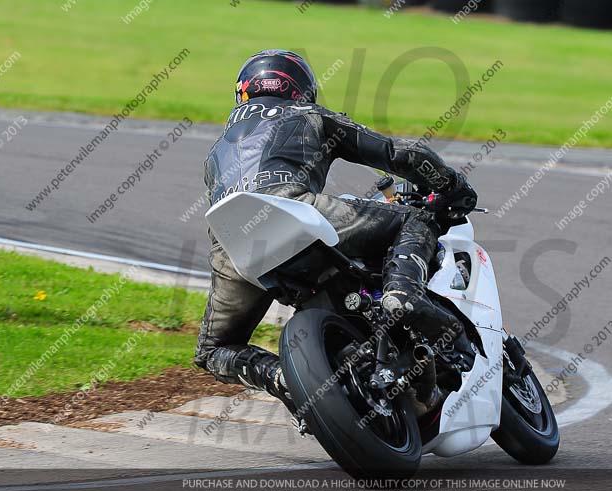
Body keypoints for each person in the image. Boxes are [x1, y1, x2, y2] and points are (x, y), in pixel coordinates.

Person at [194, 50, 478, 411]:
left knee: (212, 350)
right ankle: (402, 295)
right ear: (301, 89)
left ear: (243, 93)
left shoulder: (217, 151)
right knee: (414, 220)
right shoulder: (306, 114)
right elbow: (398, 154)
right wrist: (452, 183)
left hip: (231, 244)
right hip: (291, 208)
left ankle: (282, 378)